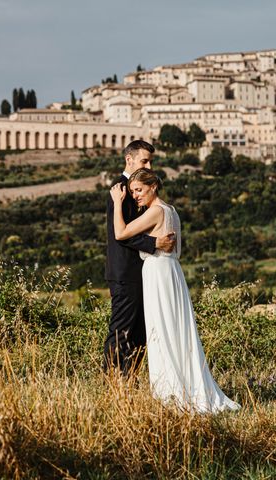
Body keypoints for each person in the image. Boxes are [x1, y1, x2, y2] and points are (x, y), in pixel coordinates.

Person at [110, 168, 240, 413]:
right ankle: (185, 385)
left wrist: (118, 202)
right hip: (171, 271)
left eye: (139, 190)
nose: (135, 196)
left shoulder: (156, 211)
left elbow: (120, 233)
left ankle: (171, 391)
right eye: (133, 191)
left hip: (158, 272)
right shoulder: (171, 211)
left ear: (153, 187)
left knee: (162, 329)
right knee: (175, 328)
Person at [104, 140, 175, 376]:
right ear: (129, 159)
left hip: (144, 273)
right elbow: (121, 234)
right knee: (121, 331)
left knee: (139, 334)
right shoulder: (120, 190)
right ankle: (113, 384)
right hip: (125, 273)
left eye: (151, 161)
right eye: (145, 160)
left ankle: (129, 383)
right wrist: (155, 243)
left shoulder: (138, 187)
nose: (150, 165)